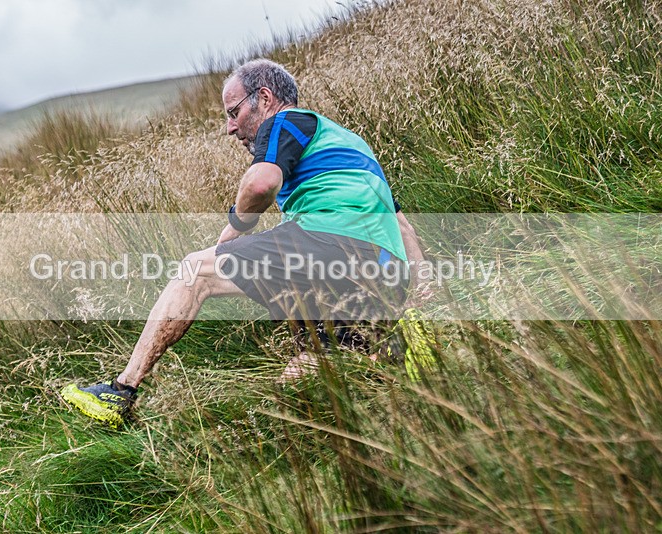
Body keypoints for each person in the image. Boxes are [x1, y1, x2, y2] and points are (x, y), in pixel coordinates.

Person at [61, 59, 426, 428]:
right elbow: (402, 225)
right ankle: (349, 421)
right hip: (384, 273)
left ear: (264, 98)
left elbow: (261, 183)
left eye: (234, 112)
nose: (230, 128)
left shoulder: (284, 122)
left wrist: (235, 226)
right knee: (321, 361)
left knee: (195, 271)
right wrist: (423, 287)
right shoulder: (354, 145)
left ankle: (120, 391)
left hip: (329, 243)